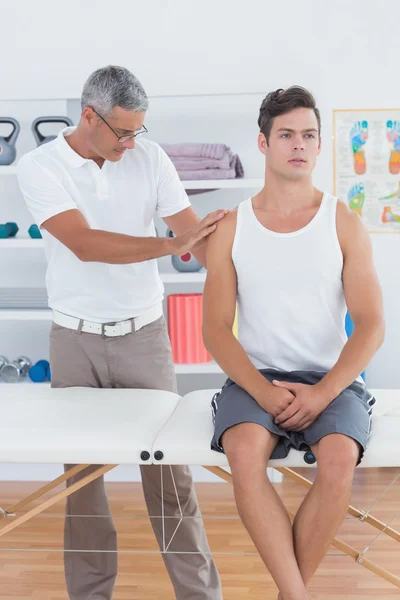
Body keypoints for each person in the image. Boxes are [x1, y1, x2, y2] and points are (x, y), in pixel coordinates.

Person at [17, 65, 225, 600]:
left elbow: (192, 234)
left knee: (171, 481)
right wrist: (168, 245)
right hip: (74, 342)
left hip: (144, 338)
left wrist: (237, 253)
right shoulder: (39, 167)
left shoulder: (149, 158)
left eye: (139, 131)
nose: (133, 143)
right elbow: (84, 243)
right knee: (82, 485)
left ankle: (200, 596)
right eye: (124, 132)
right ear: (90, 117)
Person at [202, 86, 385, 600]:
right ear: (263, 143)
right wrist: (261, 391)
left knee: (338, 460)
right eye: (285, 135)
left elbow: (371, 324)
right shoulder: (231, 228)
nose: (298, 145)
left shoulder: (343, 224)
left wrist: (324, 393)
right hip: (254, 378)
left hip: (331, 380)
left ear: (321, 145)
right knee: (243, 453)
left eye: (308, 135)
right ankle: (298, 595)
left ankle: (289, 595)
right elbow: (215, 328)